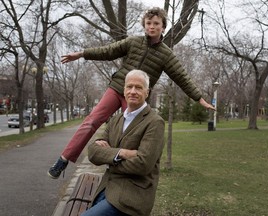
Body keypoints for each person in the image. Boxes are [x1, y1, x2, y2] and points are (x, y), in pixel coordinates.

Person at [47, 7, 215, 179]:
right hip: (118, 88)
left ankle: (122, 171)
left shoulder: (166, 54)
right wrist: (82, 54)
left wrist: (199, 98)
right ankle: (63, 159)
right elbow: (108, 51)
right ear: (144, 25)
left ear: (163, 27)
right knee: (91, 121)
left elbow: (181, 76)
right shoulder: (133, 42)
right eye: (148, 23)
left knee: (131, 134)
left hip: (137, 97)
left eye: (156, 23)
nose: (152, 26)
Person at [81, 69, 165, 216]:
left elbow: (143, 165)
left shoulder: (155, 122)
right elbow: (93, 152)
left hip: (131, 196)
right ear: (124, 89)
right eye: (129, 86)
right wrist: (122, 153)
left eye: (138, 87)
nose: (133, 91)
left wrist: (108, 158)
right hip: (107, 188)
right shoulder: (116, 119)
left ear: (147, 92)